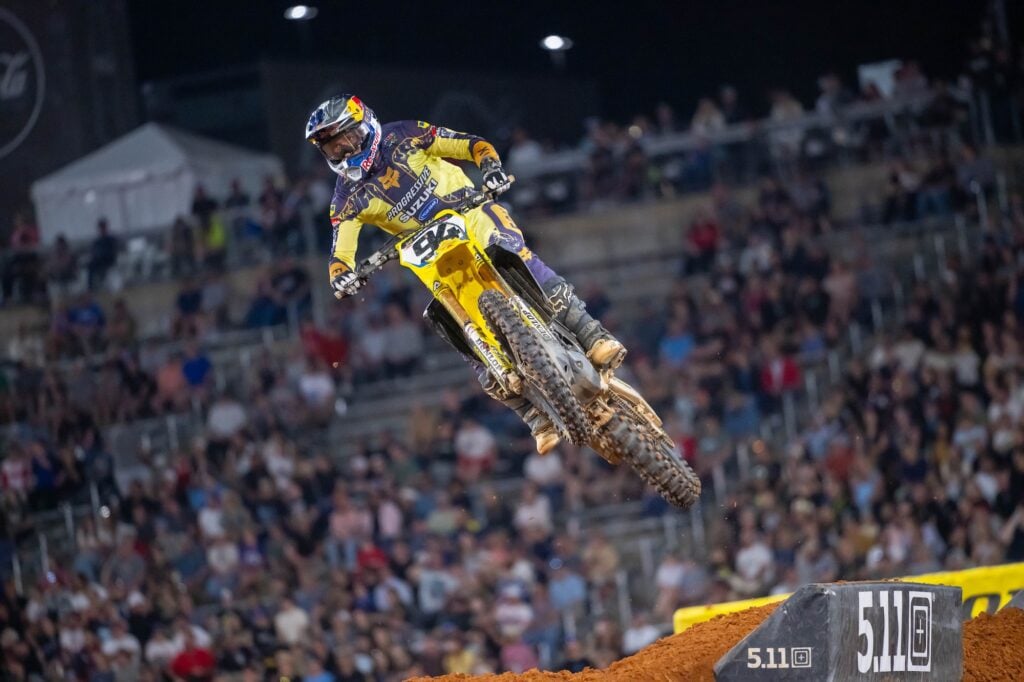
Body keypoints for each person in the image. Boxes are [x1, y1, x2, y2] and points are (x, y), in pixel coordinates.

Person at [305, 95, 624, 453]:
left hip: (469, 212)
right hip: (429, 253)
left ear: (366, 125)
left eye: (347, 139)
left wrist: (490, 167)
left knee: (511, 249)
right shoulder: (346, 198)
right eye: (332, 147)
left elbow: (469, 144)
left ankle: (591, 333)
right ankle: (532, 414)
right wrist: (341, 274)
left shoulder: (404, 135)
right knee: (449, 322)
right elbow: (340, 249)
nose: (343, 151)